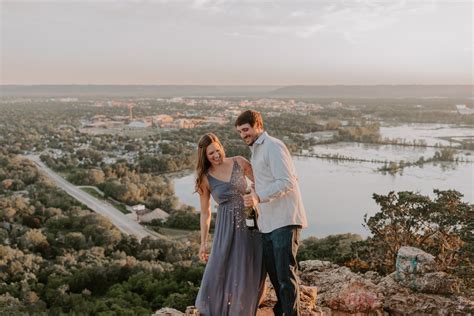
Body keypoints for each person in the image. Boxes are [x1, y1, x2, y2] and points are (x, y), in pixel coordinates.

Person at [235, 110, 308, 316]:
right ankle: (282, 311)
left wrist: (258, 197)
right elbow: (268, 180)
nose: (243, 135)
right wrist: (254, 191)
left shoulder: (273, 146)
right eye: (240, 132)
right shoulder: (256, 150)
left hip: (285, 219)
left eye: (246, 130)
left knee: (285, 275)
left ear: (258, 125)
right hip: (267, 221)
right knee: (275, 275)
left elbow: (287, 182)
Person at [194, 133, 265, 316]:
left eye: (218, 150)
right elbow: (205, 212)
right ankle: (220, 309)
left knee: (250, 263)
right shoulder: (205, 178)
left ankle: (244, 308)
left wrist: (253, 194)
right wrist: (203, 242)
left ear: (221, 146)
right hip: (225, 226)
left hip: (250, 221)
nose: (216, 155)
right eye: (211, 154)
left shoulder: (239, 162)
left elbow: (262, 182)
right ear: (204, 156)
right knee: (220, 266)